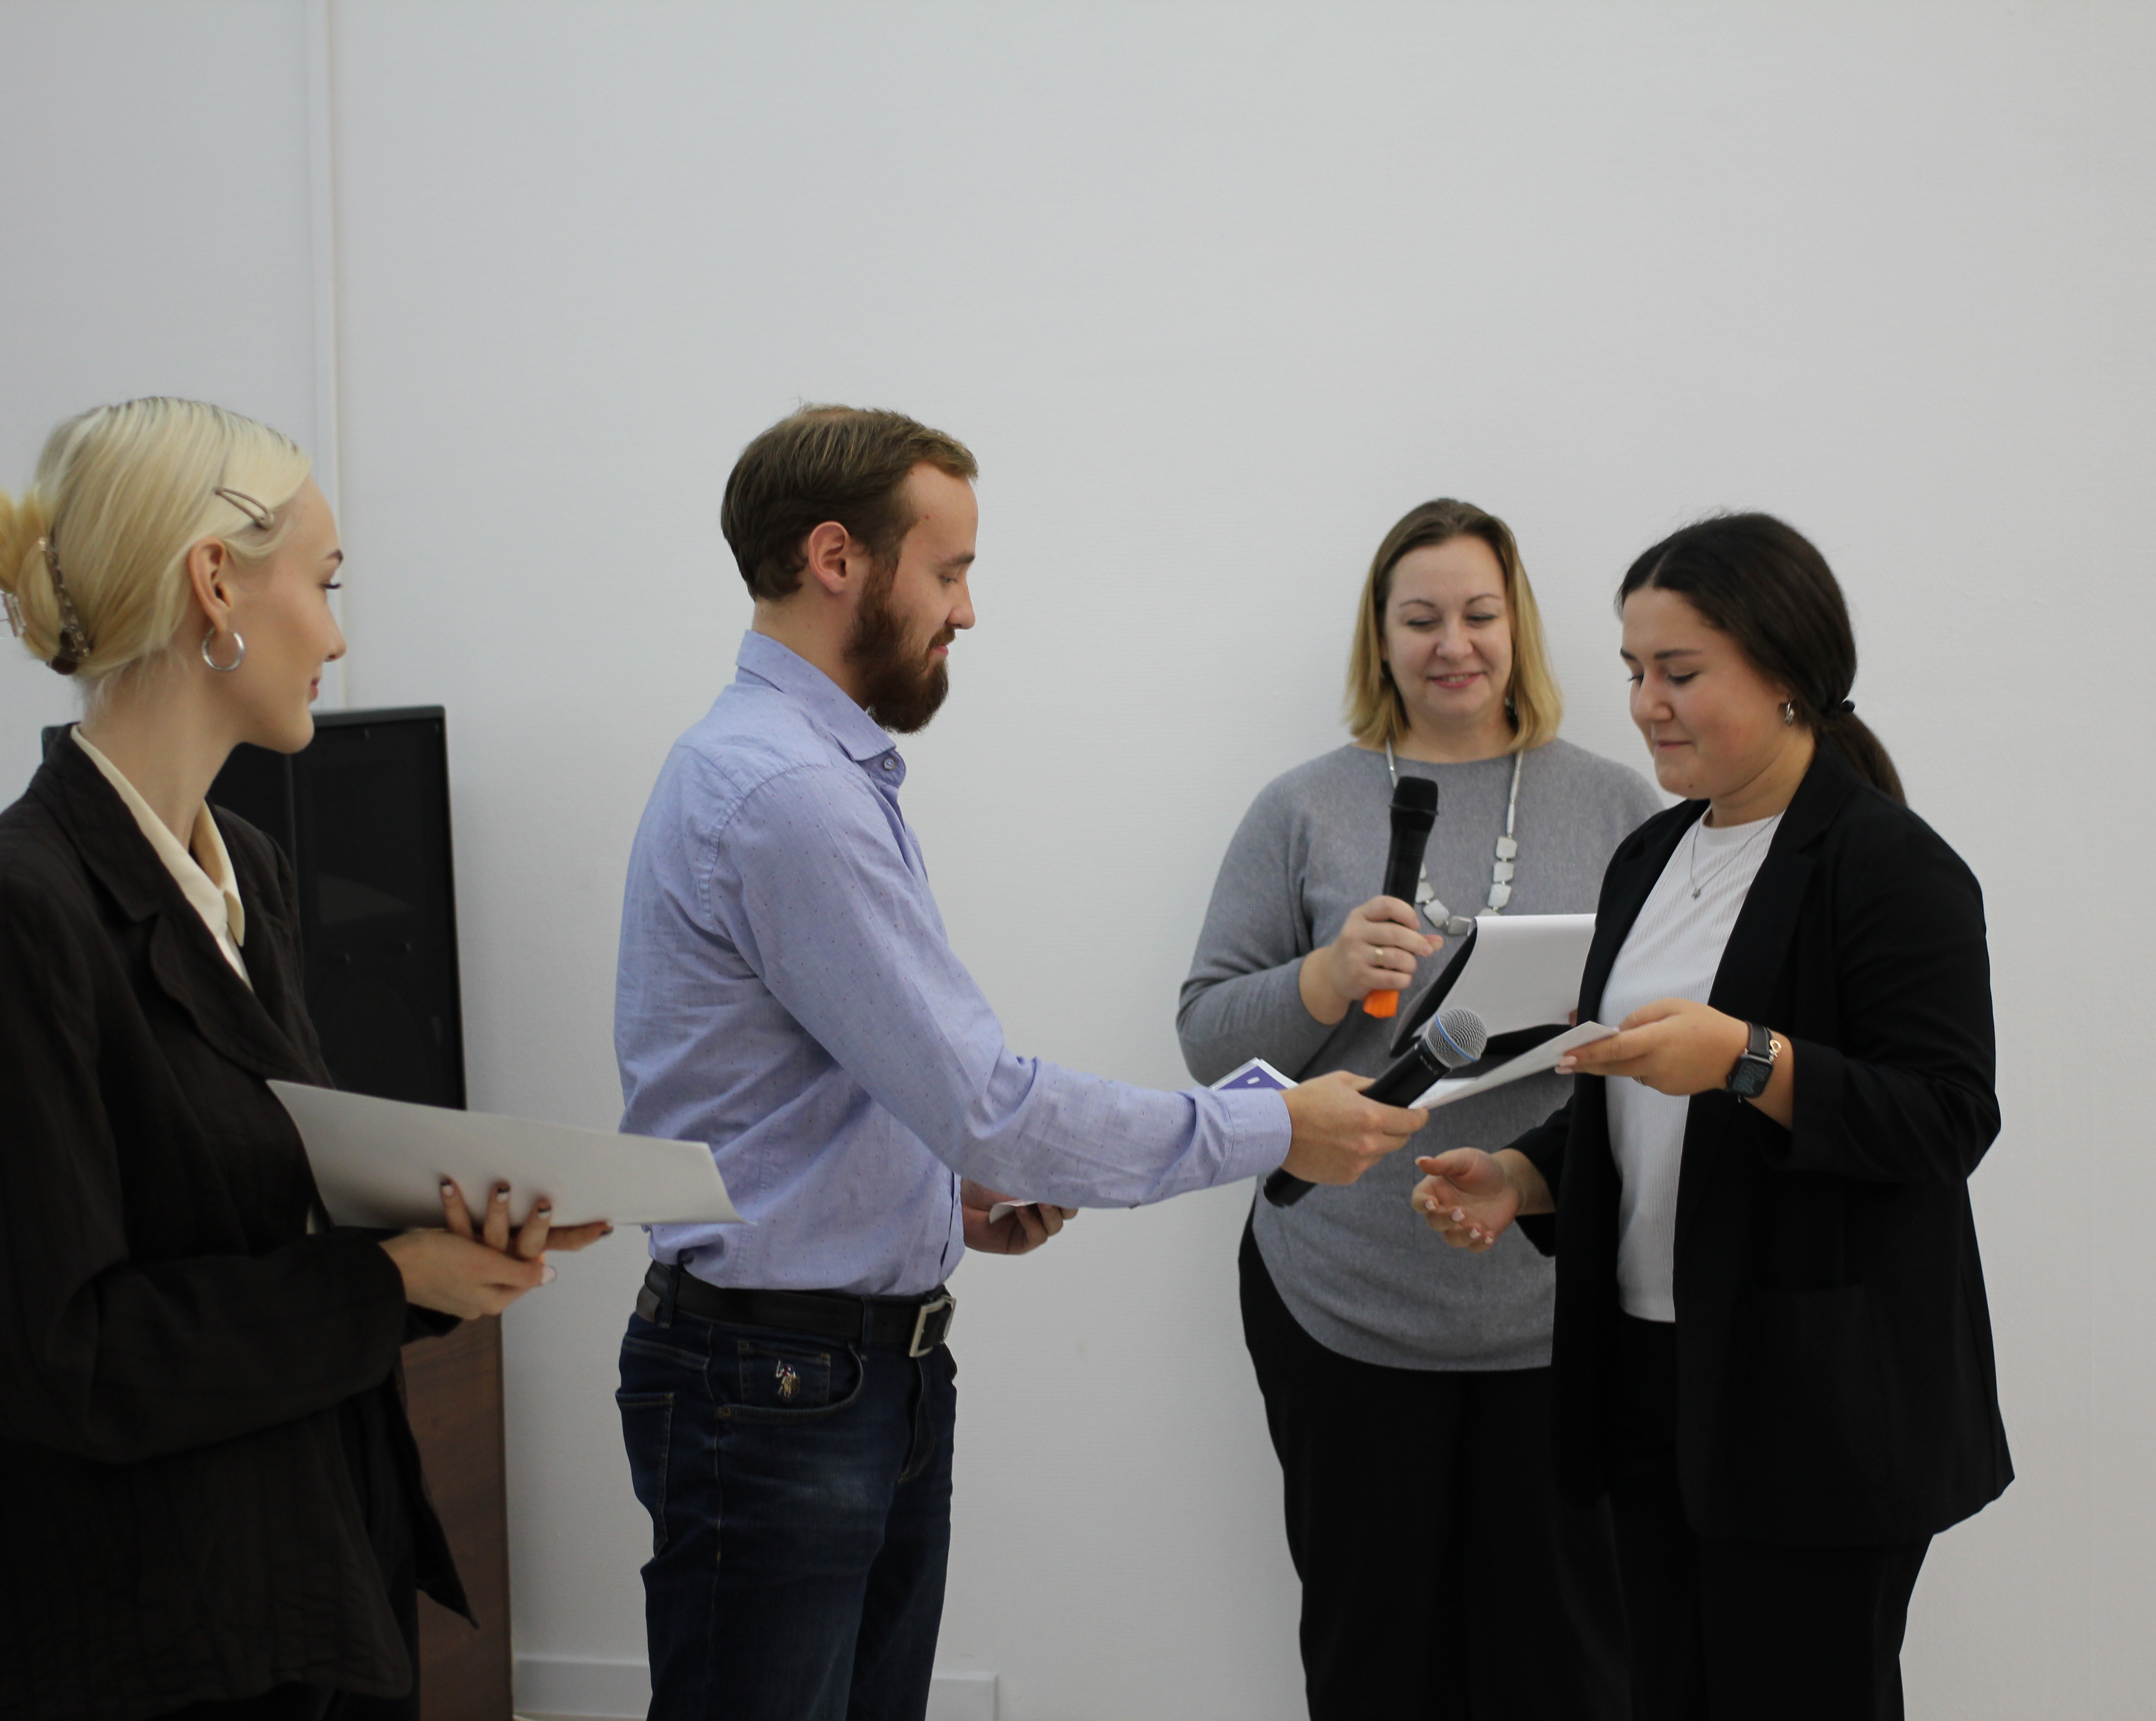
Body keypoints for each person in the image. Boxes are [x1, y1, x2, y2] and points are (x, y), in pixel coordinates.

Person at [611, 403, 1427, 1721]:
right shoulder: (788, 796)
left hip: (839, 1378)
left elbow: (844, 1088)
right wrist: (1277, 1130)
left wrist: (944, 1191)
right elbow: (988, 1104)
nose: (968, 611)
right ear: (837, 559)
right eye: (950, 571)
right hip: (782, 1393)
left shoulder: (801, 770)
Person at [0, 397, 607, 1721]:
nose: (339, 637)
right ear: (215, 584)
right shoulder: (11, 914)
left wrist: (435, 1250)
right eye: (326, 582)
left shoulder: (251, 872)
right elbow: (52, 1359)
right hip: (147, 1643)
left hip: (303, 1581)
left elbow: (255, 1217)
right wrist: (385, 1282)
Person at [1413, 513, 2009, 1721]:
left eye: (1679, 674)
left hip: (1811, 1395)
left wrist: (1749, 1058)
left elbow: (1948, 1120)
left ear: (1787, 674)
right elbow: (1637, 1103)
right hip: (1649, 1370)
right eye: (1635, 670)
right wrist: (1525, 1178)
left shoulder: (1890, 866)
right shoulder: (1650, 856)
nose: (1646, 705)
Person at [1177, 497, 1660, 1720]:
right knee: (1376, 1657)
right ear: (1380, 638)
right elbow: (1207, 1039)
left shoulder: (1620, 806)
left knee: (1571, 1664)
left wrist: (1609, 1026)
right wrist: (1325, 977)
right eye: (1422, 619)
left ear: (1519, 628)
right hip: (1343, 1298)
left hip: (1554, 1305)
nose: (1455, 644)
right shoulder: (1303, 809)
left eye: (1480, 614)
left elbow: (1678, 1032)